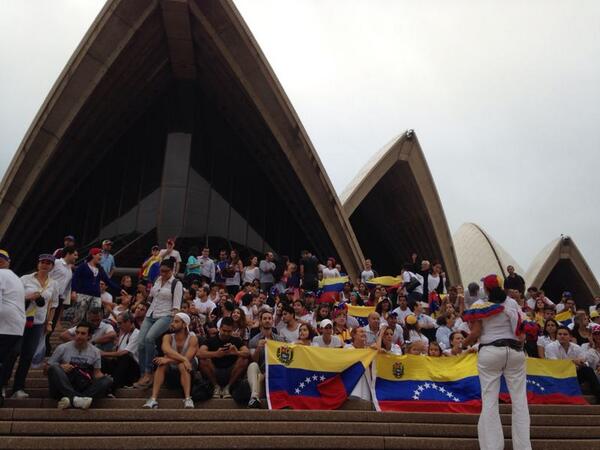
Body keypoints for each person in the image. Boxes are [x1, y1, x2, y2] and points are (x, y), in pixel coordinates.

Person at [463, 274, 531, 450]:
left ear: (485, 288)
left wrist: (461, 345)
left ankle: (493, 447)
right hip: (515, 352)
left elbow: (476, 332)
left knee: (490, 401)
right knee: (520, 402)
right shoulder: (512, 303)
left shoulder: (479, 305)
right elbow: (522, 333)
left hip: (491, 352)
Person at [5, 254, 58, 399]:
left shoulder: (54, 283)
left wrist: (49, 322)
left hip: (38, 323)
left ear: (52, 266)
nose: (45, 265)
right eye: (42, 262)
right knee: (13, 352)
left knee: (27, 356)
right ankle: (3, 384)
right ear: (38, 264)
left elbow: (52, 305)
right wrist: (30, 297)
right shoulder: (24, 279)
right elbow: (13, 297)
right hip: (20, 320)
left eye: (48, 263)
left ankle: (18, 387)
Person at [134, 258, 182, 389]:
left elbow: (176, 306)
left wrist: (174, 321)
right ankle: (143, 374)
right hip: (150, 314)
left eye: (166, 271)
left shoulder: (176, 283)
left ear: (172, 270)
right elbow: (151, 298)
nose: (163, 274)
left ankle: (149, 372)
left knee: (150, 338)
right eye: (161, 271)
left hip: (166, 315)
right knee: (141, 343)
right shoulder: (157, 280)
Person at [47, 321, 113, 409]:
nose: (78, 336)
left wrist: (104, 379)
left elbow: (97, 373)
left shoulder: (95, 352)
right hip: (61, 388)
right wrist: (61, 367)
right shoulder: (62, 348)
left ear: (89, 336)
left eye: (83, 334)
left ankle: (72, 400)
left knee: (107, 380)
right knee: (54, 367)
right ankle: (77, 399)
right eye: (77, 333)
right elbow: (46, 369)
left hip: (81, 385)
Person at [143, 313, 198, 409]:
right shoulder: (167, 337)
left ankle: (188, 398)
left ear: (185, 324)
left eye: (176, 322)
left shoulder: (192, 338)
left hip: (189, 370)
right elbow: (166, 350)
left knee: (182, 365)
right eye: (173, 321)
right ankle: (153, 399)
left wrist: (168, 360)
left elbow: (188, 359)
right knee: (161, 364)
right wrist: (182, 359)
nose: (172, 324)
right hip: (173, 369)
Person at [544, 326, 600, 402]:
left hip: (573, 374)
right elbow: (555, 364)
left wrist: (581, 363)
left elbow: (584, 362)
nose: (562, 336)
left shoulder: (576, 347)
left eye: (565, 334)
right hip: (556, 375)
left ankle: (598, 395)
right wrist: (573, 361)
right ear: (556, 336)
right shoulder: (550, 347)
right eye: (559, 334)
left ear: (570, 336)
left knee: (588, 370)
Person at [198, 316, 249, 399]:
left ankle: (228, 387)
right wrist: (216, 354)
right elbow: (199, 353)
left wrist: (236, 352)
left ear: (232, 330)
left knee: (244, 359)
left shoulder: (236, 340)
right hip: (214, 371)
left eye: (229, 331)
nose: (226, 333)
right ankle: (216, 387)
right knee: (204, 359)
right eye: (224, 330)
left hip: (231, 372)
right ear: (219, 329)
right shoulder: (211, 340)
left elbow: (247, 353)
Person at [71, 248, 124, 325]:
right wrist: (73, 291)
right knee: (79, 318)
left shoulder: (100, 269)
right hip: (83, 295)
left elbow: (107, 281)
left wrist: (119, 290)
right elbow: (75, 279)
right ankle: (74, 334)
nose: (101, 257)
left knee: (94, 319)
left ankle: (91, 336)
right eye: (99, 254)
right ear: (93, 255)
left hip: (96, 298)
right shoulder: (83, 266)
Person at [0, 249, 25, 405]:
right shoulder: (15, 277)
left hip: (3, 325)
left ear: (8, 261)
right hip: (15, 327)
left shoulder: (1, 274)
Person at [247, 310, 285, 408]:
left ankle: (256, 397)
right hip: (261, 373)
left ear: (272, 321)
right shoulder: (254, 341)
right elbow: (254, 360)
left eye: (269, 318)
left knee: (260, 378)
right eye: (264, 319)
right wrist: (258, 349)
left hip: (275, 374)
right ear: (260, 321)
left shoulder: (280, 340)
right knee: (252, 366)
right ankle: (254, 397)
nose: (267, 321)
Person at [46, 246, 78, 355]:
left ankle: (45, 343)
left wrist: (64, 298)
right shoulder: (56, 263)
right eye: (74, 254)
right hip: (49, 296)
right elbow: (47, 275)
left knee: (52, 323)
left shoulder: (70, 269)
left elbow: (67, 286)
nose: (76, 257)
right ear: (68, 254)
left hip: (59, 299)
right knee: (44, 321)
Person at [101, 312, 140, 389]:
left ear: (128, 322)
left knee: (125, 357)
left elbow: (124, 353)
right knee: (102, 360)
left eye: (120, 323)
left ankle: (113, 386)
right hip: (122, 367)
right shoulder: (124, 335)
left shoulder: (137, 333)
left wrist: (103, 353)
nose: (118, 326)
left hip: (133, 369)